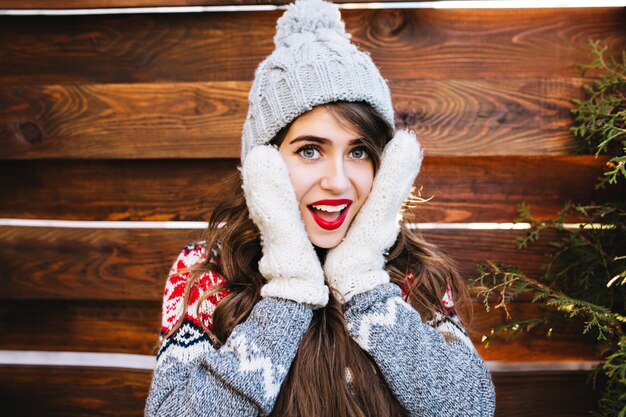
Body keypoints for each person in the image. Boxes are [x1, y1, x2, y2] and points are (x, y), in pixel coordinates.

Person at [145, 0, 496, 416]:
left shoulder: (413, 272)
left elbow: (470, 409)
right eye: (310, 150)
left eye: (360, 151)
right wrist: (289, 292)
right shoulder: (205, 273)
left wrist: (364, 285)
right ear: (265, 164)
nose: (338, 181)